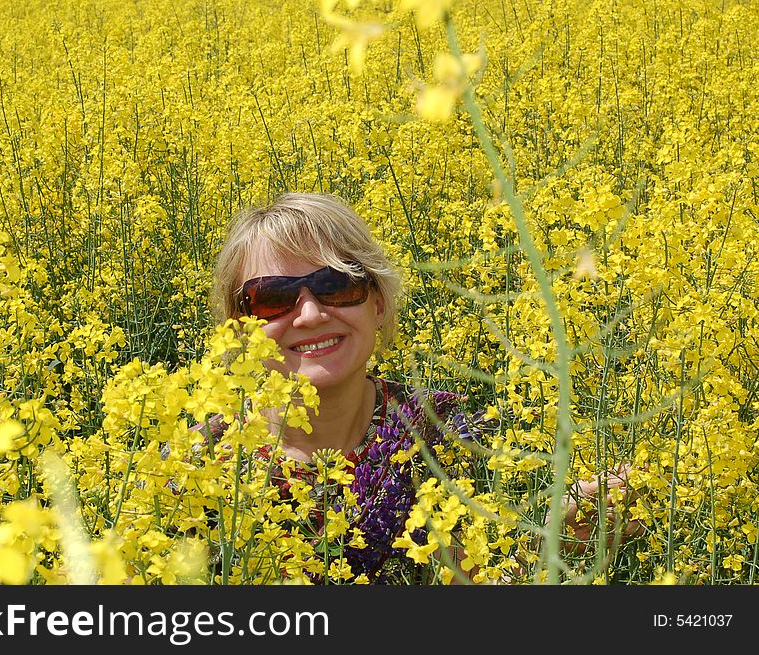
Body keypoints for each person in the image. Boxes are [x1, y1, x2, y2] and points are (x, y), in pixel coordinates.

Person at [206, 191, 639, 584]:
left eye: (336, 284)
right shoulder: (198, 473)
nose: (311, 315)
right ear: (239, 329)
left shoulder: (443, 434)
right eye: (272, 298)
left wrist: (551, 538)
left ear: (377, 304)